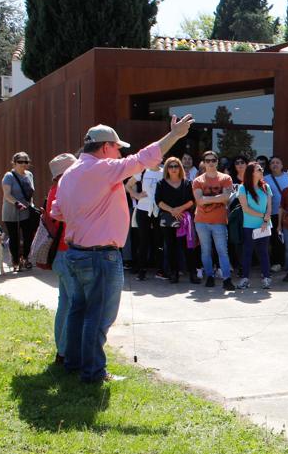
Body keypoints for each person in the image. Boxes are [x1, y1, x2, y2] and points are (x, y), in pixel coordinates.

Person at [52, 116, 194, 383]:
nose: (120, 153)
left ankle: (72, 363)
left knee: (78, 309)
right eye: (117, 148)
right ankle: (93, 373)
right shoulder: (104, 168)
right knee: (99, 315)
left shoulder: (69, 173)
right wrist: (174, 135)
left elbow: (57, 212)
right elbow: (142, 158)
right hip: (100, 255)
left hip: (75, 252)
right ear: (106, 147)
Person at [43, 153, 77, 365]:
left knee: (65, 303)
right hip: (67, 254)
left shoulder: (53, 189)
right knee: (75, 304)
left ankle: (62, 351)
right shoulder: (64, 189)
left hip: (60, 255)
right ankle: (68, 354)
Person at [191, 151, 236, 291]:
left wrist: (207, 199)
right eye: (207, 160)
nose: (210, 163)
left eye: (213, 160)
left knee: (222, 251)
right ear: (204, 162)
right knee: (205, 251)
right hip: (201, 221)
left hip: (219, 221)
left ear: (217, 162)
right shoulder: (197, 180)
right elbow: (199, 200)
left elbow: (226, 198)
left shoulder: (226, 178)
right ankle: (209, 276)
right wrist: (218, 197)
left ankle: (227, 279)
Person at [154, 156, 196, 284]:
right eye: (171, 166)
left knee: (188, 247)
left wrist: (179, 209)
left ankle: (193, 274)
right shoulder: (161, 183)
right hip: (168, 220)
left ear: (180, 168)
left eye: (176, 166)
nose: (173, 169)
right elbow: (158, 201)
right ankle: (174, 274)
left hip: (184, 219)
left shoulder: (187, 183)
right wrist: (172, 210)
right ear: (167, 168)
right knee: (170, 247)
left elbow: (191, 201)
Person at [237, 162, 273, 289]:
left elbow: (269, 206)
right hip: (249, 225)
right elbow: (245, 209)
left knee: (263, 252)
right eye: (259, 169)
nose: (262, 170)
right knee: (247, 252)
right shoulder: (242, 188)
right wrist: (263, 216)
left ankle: (266, 278)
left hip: (264, 225)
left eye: (261, 168)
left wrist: (265, 220)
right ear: (251, 172)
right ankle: (245, 279)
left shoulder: (266, 187)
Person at [125, 160, 163, 280]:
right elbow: (127, 185)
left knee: (159, 240)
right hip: (143, 209)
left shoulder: (165, 172)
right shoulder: (142, 171)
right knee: (143, 241)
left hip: (159, 210)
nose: (157, 160)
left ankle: (161, 270)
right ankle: (142, 270)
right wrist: (136, 195)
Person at [1, 151, 39, 270]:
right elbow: (7, 194)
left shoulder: (29, 175)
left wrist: (31, 205)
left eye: (26, 162)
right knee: (14, 237)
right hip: (11, 211)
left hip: (26, 211)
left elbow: (30, 194)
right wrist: (17, 203)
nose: (23, 164)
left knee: (28, 236)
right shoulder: (9, 176)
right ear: (14, 163)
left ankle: (25, 258)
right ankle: (15, 261)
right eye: (20, 162)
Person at [266, 156, 288, 270]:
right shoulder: (265, 179)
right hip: (273, 213)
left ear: (282, 165)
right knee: (276, 239)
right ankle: (277, 263)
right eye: (272, 163)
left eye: (277, 162)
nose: (275, 164)